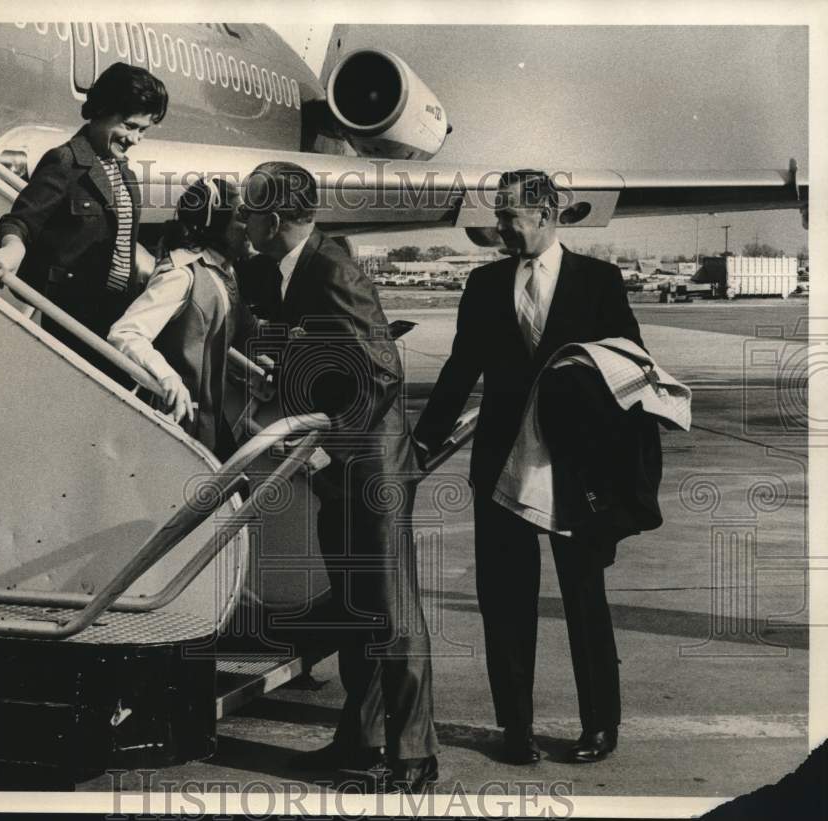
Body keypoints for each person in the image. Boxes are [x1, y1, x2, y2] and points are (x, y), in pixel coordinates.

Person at [414, 170, 647, 765]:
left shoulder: (599, 281)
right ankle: (515, 729)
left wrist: (624, 472)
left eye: (509, 216)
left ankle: (600, 726)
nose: (498, 227)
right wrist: (421, 444)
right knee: (506, 602)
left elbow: (630, 372)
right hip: (501, 468)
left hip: (578, 471)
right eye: (499, 215)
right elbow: (460, 369)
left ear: (544, 215)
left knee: (584, 600)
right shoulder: (485, 282)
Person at [239, 161, 438, 793]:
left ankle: (415, 754)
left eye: (248, 212)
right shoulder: (293, 270)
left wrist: (331, 446)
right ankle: (362, 739)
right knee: (356, 611)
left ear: (272, 220)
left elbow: (381, 372)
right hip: (342, 465)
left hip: (369, 466)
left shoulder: (332, 268)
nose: (242, 222)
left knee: (391, 610)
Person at [0, 62, 168, 384]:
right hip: (74, 311)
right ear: (102, 110)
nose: (135, 139)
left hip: (114, 312)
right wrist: (13, 250)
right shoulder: (65, 162)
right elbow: (22, 220)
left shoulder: (123, 172)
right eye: (129, 126)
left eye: (143, 131)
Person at [107, 177, 257, 457]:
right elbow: (125, 333)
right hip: (176, 417)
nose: (251, 227)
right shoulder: (182, 274)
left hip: (205, 417)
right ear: (216, 224)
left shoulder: (225, 272)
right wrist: (167, 377)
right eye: (242, 217)